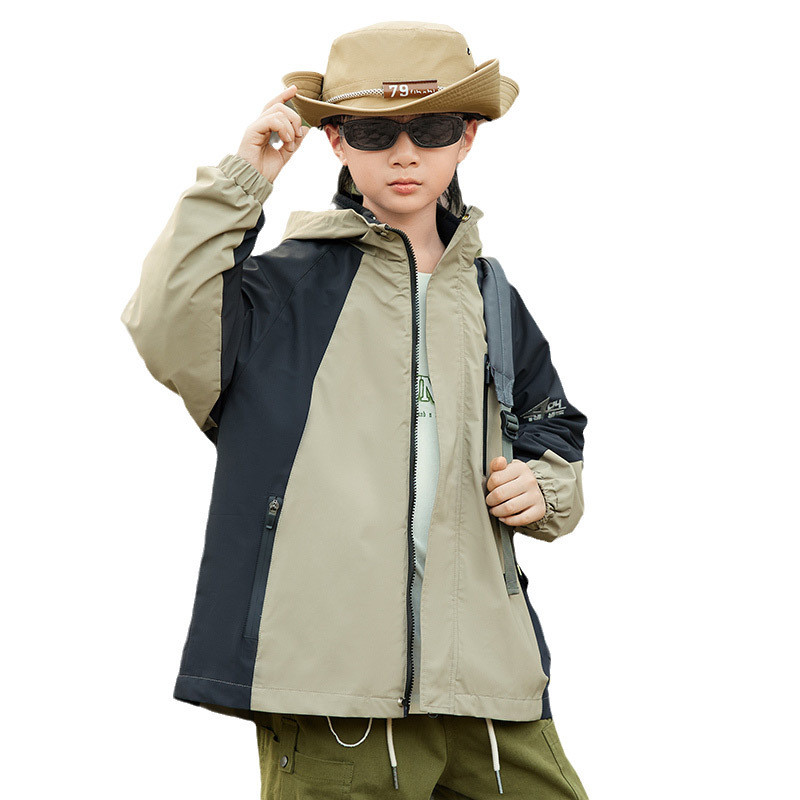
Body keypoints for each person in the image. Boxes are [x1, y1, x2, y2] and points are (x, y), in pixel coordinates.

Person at [121, 20, 590, 800]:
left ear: (467, 138)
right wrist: (244, 179)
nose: (405, 153)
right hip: (331, 692)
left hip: (488, 686)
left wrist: (546, 488)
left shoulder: (493, 298)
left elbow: (554, 429)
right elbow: (166, 323)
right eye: (376, 131)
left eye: (431, 128)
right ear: (336, 140)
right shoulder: (281, 291)